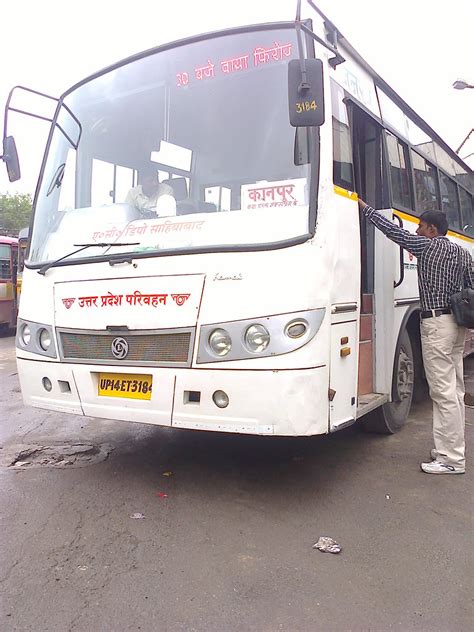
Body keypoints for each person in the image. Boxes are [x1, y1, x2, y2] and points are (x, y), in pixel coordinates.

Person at [358, 198, 473, 474]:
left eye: (421, 227)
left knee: (442, 392)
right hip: (457, 325)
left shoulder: (426, 246)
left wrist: (366, 210)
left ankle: (451, 460)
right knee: (455, 391)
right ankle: (450, 447)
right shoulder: (462, 254)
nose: (417, 231)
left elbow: (394, 232)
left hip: (436, 324)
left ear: (433, 230)